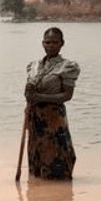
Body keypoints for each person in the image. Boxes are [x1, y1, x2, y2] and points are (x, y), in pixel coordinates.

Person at [24, 27, 80, 180]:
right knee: (37, 157)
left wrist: (39, 96)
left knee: (56, 157)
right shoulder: (33, 66)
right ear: (42, 43)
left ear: (62, 44)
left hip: (54, 119)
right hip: (35, 118)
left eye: (55, 42)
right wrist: (29, 96)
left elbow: (67, 95)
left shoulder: (67, 67)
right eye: (47, 42)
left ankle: (59, 195)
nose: (50, 45)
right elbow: (29, 94)